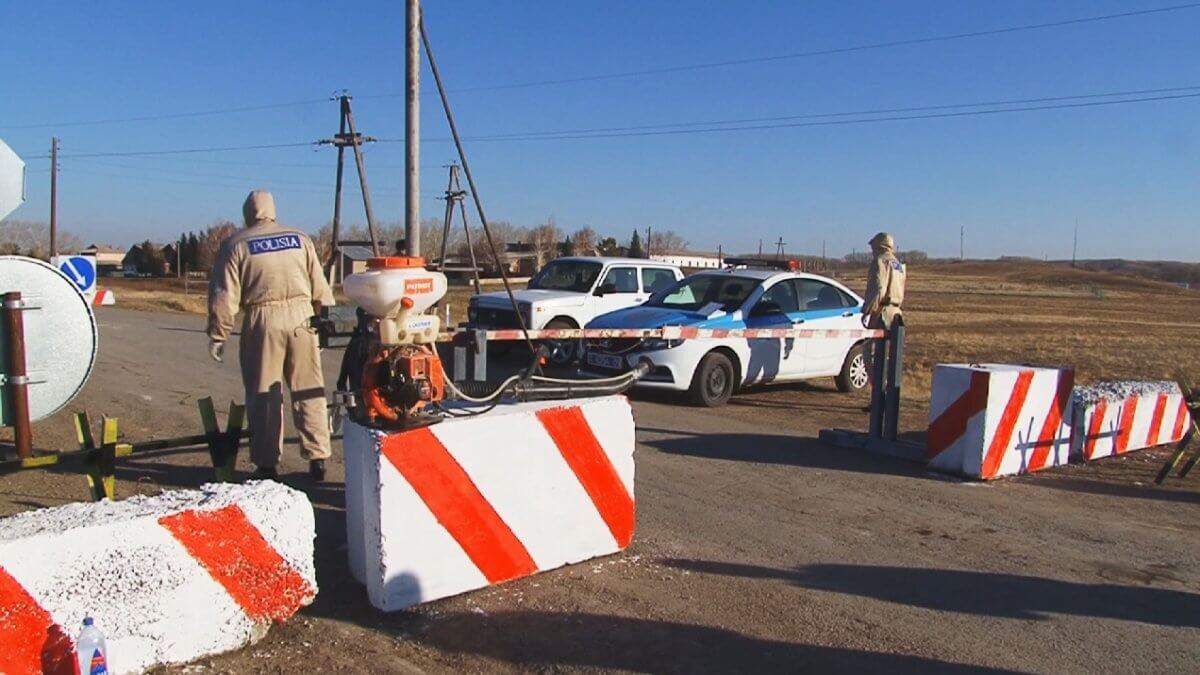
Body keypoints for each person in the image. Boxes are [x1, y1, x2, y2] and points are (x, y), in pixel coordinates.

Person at [207, 190, 335, 481]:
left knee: (264, 393)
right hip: (303, 318)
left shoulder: (236, 244)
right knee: (309, 389)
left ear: (248, 213)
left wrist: (218, 333)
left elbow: (224, 296)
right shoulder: (300, 238)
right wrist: (324, 322)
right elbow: (320, 284)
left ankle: (267, 463)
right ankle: (318, 456)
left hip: (263, 319)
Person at [862, 231, 905, 331]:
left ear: (879, 246)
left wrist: (868, 311)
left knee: (875, 346)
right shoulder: (897, 264)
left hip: (882, 314)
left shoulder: (880, 261)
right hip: (896, 313)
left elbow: (878, 289)